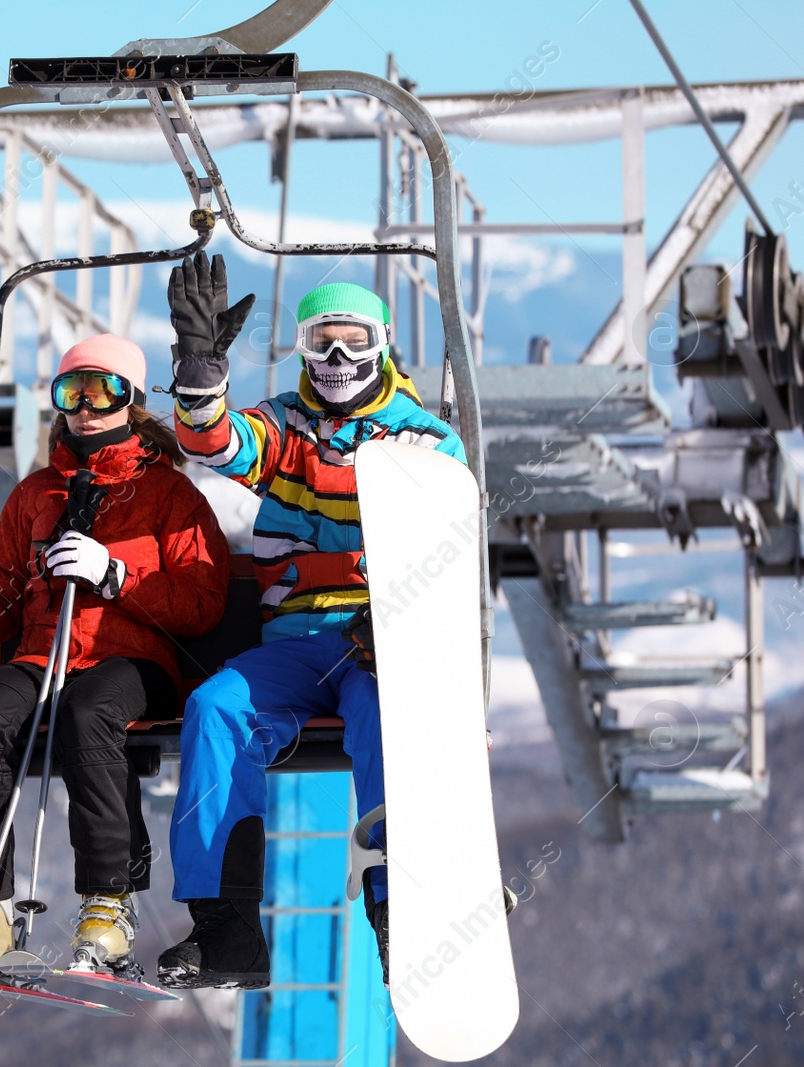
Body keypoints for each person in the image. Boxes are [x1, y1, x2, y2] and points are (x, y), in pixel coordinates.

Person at [155, 253, 467, 990]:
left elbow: (447, 534)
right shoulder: (284, 429)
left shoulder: (423, 441)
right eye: (321, 340)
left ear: (383, 342)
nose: (336, 358)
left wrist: (399, 620)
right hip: (295, 645)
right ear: (300, 347)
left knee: (385, 720)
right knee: (216, 707)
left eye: (353, 340)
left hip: (378, 646)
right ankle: (226, 925)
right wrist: (201, 370)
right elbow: (213, 440)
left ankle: (402, 908)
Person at [0, 333, 229, 977]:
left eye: (102, 390)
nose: (85, 406)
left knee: (89, 712)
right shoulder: (35, 496)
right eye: (70, 391)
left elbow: (203, 605)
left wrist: (116, 578)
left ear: (130, 401)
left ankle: (109, 903)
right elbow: (0, 593)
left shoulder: (168, 495)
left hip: (134, 665)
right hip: (42, 656)